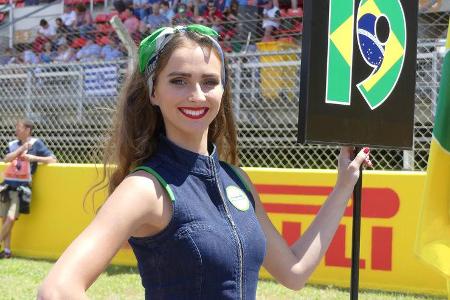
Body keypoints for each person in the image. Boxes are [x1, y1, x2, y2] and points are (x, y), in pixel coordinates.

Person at [38, 25, 372, 298]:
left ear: (223, 91)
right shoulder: (146, 187)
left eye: (209, 82)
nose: (197, 95)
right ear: (154, 92)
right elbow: (57, 289)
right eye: (179, 81)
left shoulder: (236, 180)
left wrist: (344, 185)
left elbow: (295, 271)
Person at [0, 118, 56, 259]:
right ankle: (6, 251)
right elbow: (6, 159)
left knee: (11, 217)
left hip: (22, 187)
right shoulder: (13, 144)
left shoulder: (36, 143)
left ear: (28, 130)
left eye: (19, 128)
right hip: (8, 184)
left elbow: (52, 159)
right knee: (5, 218)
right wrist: (20, 150)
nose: (16, 130)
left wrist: (33, 157)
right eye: (16, 128)